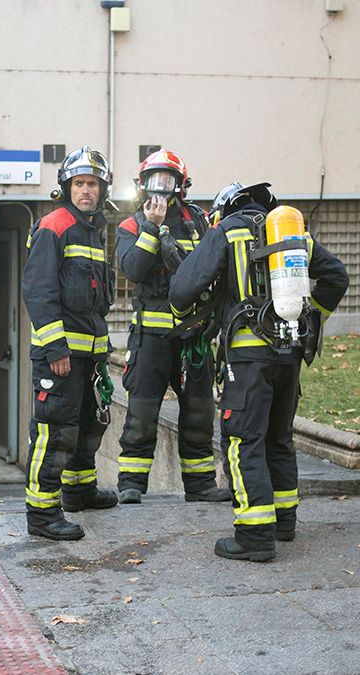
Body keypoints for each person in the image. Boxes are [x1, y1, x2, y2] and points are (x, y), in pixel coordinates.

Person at [170, 183, 348, 562]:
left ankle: (254, 536)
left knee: (242, 440)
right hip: (289, 353)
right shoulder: (290, 232)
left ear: (224, 208)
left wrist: (188, 320)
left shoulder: (227, 230)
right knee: (278, 439)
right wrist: (312, 318)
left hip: (248, 359)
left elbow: (183, 289)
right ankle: (284, 524)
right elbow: (337, 276)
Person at [114, 150, 230, 504]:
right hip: (151, 340)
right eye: (154, 181)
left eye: (167, 181)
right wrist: (151, 228)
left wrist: (211, 322)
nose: (160, 189)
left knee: (199, 412)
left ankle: (200, 486)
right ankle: (131, 484)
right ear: (141, 186)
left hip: (194, 338)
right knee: (142, 412)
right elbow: (132, 270)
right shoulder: (132, 225)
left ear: (181, 185)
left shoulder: (202, 222)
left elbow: (217, 268)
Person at [21, 146, 120, 541]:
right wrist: (56, 349)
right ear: (67, 186)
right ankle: (43, 514)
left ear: (101, 189)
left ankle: (79, 491)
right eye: (79, 183)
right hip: (60, 357)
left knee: (87, 426)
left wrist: (102, 352)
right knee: (55, 431)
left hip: (90, 355)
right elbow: (39, 291)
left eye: (92, 184)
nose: (86, 191)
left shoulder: (94, 230)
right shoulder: (54, 225)